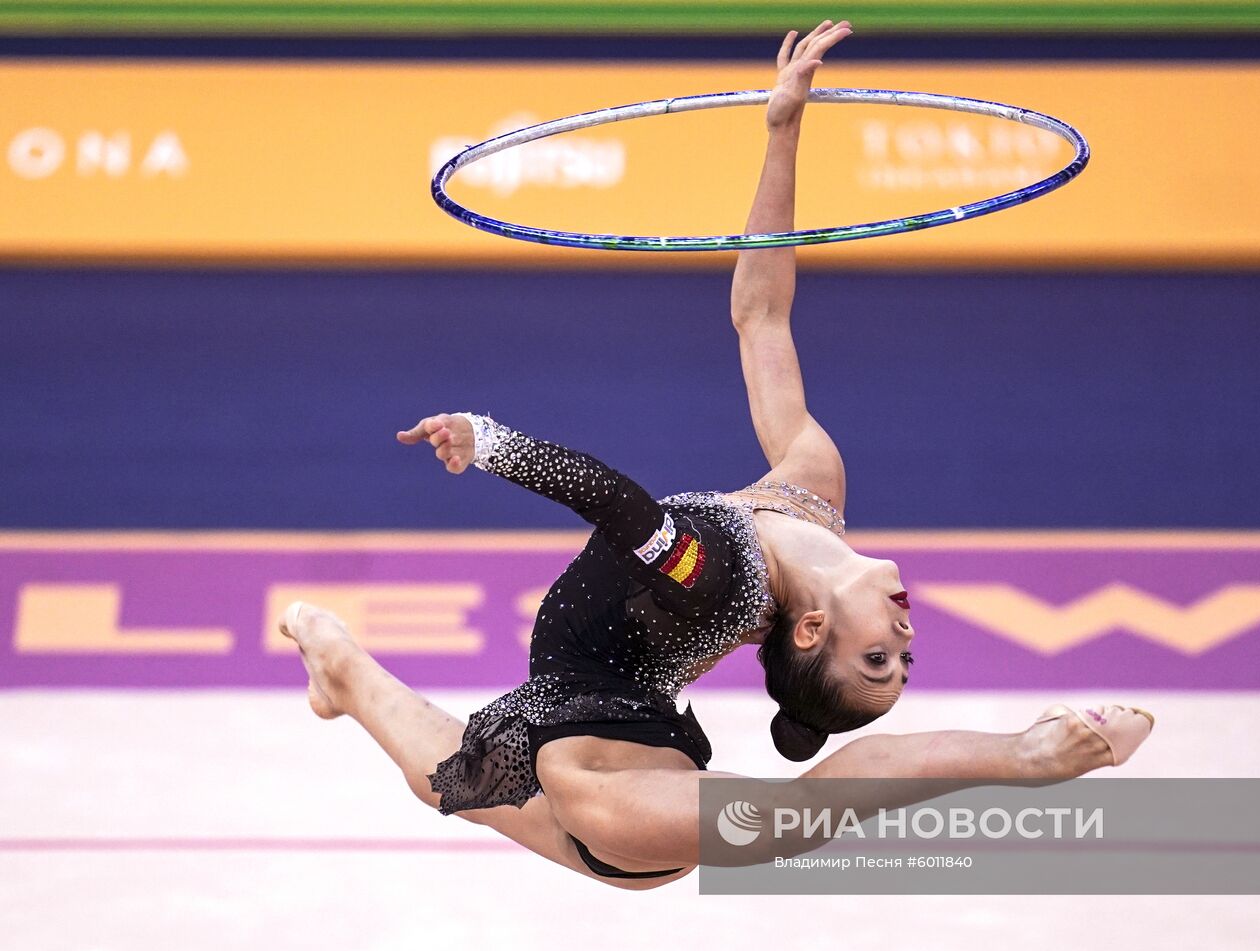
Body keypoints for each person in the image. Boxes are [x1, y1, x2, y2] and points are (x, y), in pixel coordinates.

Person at [280, 20, 1152, 888]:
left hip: (607, 793)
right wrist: (783, 128)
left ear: (811, 631)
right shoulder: (811, 485)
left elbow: (613, 499)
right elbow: (761, 315)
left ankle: (1028, 756)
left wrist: (492, 442)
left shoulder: (714, 578)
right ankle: (342, 669)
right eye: (904, 657)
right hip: (627, 741)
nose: (905, 633)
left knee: (782, 827)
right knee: (449, 775)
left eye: (877, 658)